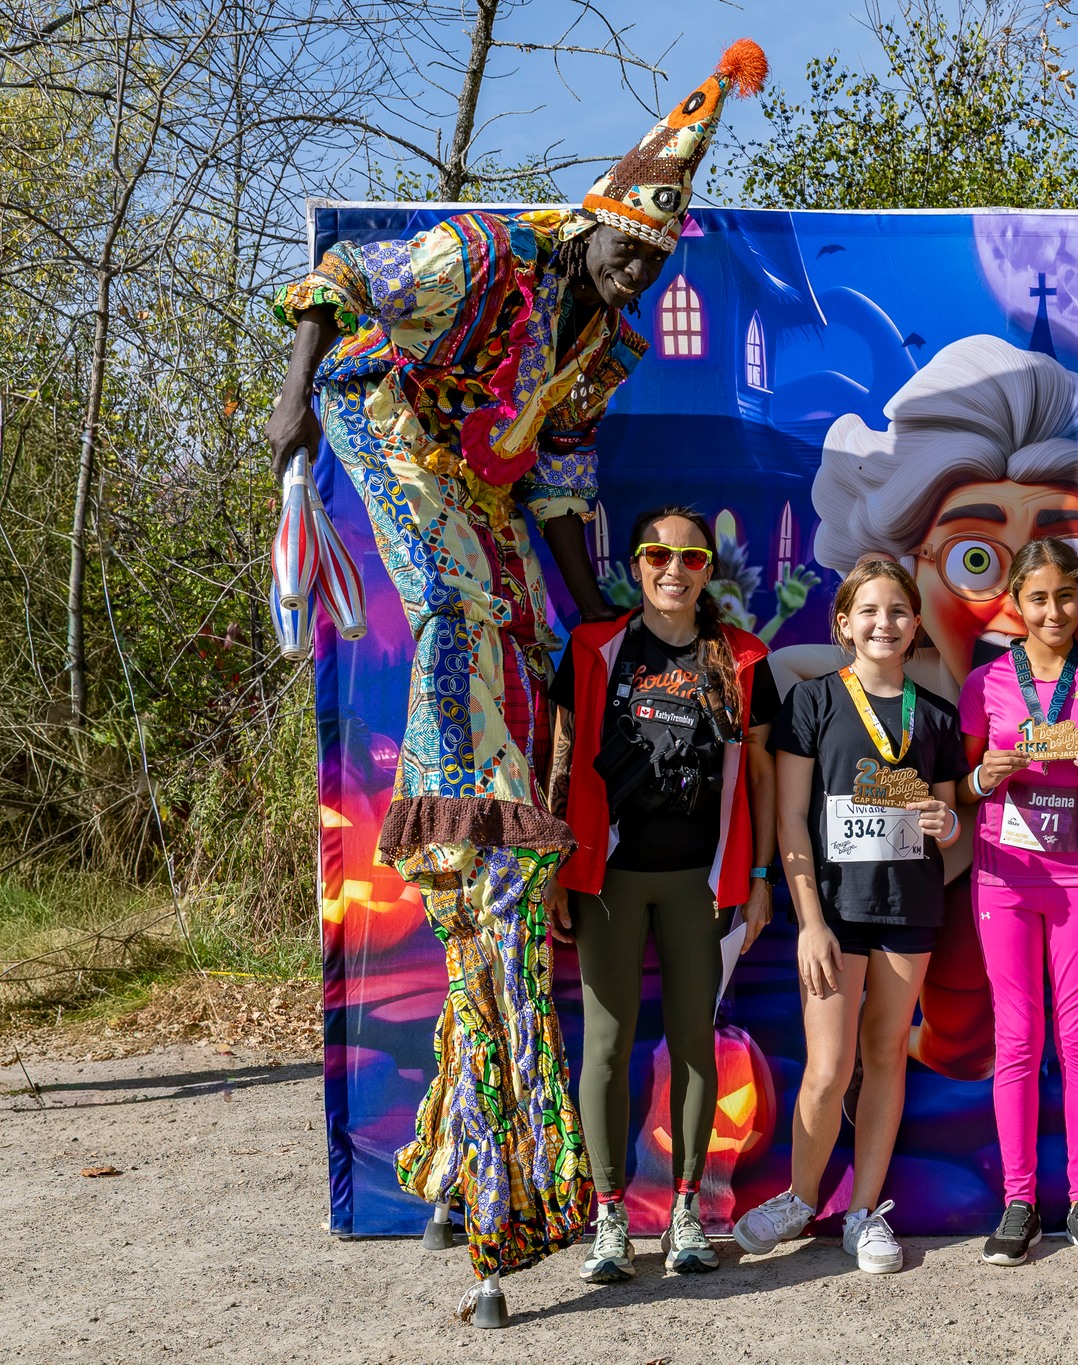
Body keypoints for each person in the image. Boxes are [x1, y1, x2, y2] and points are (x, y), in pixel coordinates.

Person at [262, 40, 766, 1327]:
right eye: (624, 252)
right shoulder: (486, 253)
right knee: (453, 604)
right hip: (384, 423)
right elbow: (337, 283)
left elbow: (561, 487)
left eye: (653, 266)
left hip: (483, 486)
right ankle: (459, 790)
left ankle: (496, 797)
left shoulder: (605, 350)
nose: (633, 275)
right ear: (591, 224)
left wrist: (599, 619)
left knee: (528, 646)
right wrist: (293, 404)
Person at [770, 335, 1078, 1211]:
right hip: (923, 898)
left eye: (1062, 572)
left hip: (1054, 875)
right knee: (951, 1041)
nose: (1016, 602)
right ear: (911, 573)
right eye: (975, 558)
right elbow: (802, 751)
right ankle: (860, 1121)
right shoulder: (870, 685)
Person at [548, 506, 778, 1280]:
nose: (673, 568)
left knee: (694, 1044)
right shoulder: (595, 648)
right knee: (606, 1046)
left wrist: (759, 878)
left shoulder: (742, 657)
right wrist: (554, 869)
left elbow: (761, 777)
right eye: (657, 554)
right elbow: (561, 758)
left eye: (690, 557)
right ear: (636, 564)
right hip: (608, 877)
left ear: (708, 569)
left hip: (700, 882)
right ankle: (610, 1215)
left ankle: (686, 1211)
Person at [734, 560, 967, 1274]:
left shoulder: (937, 715)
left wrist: (947, 823)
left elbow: (948, 819)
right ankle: (802, 1197)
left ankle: (864, 1211)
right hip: (833, 913)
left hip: (908, 907)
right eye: (868, 610)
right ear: (844, 623)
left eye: (897, 611)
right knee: (829, 1067)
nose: (883, 623)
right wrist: (809, 921)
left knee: (886, 1054)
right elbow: (791, 820)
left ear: (916, 624)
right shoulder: (813, 701)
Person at [956, 539, 1078, 1266]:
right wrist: (984, 777)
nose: (1052, 612)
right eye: (1037, 598)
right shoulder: (984, 683)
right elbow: (958, 789)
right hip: (1004, 880)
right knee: (1016, 1040)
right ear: (1015, 602)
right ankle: (1019, 1202)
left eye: (1066, 597)